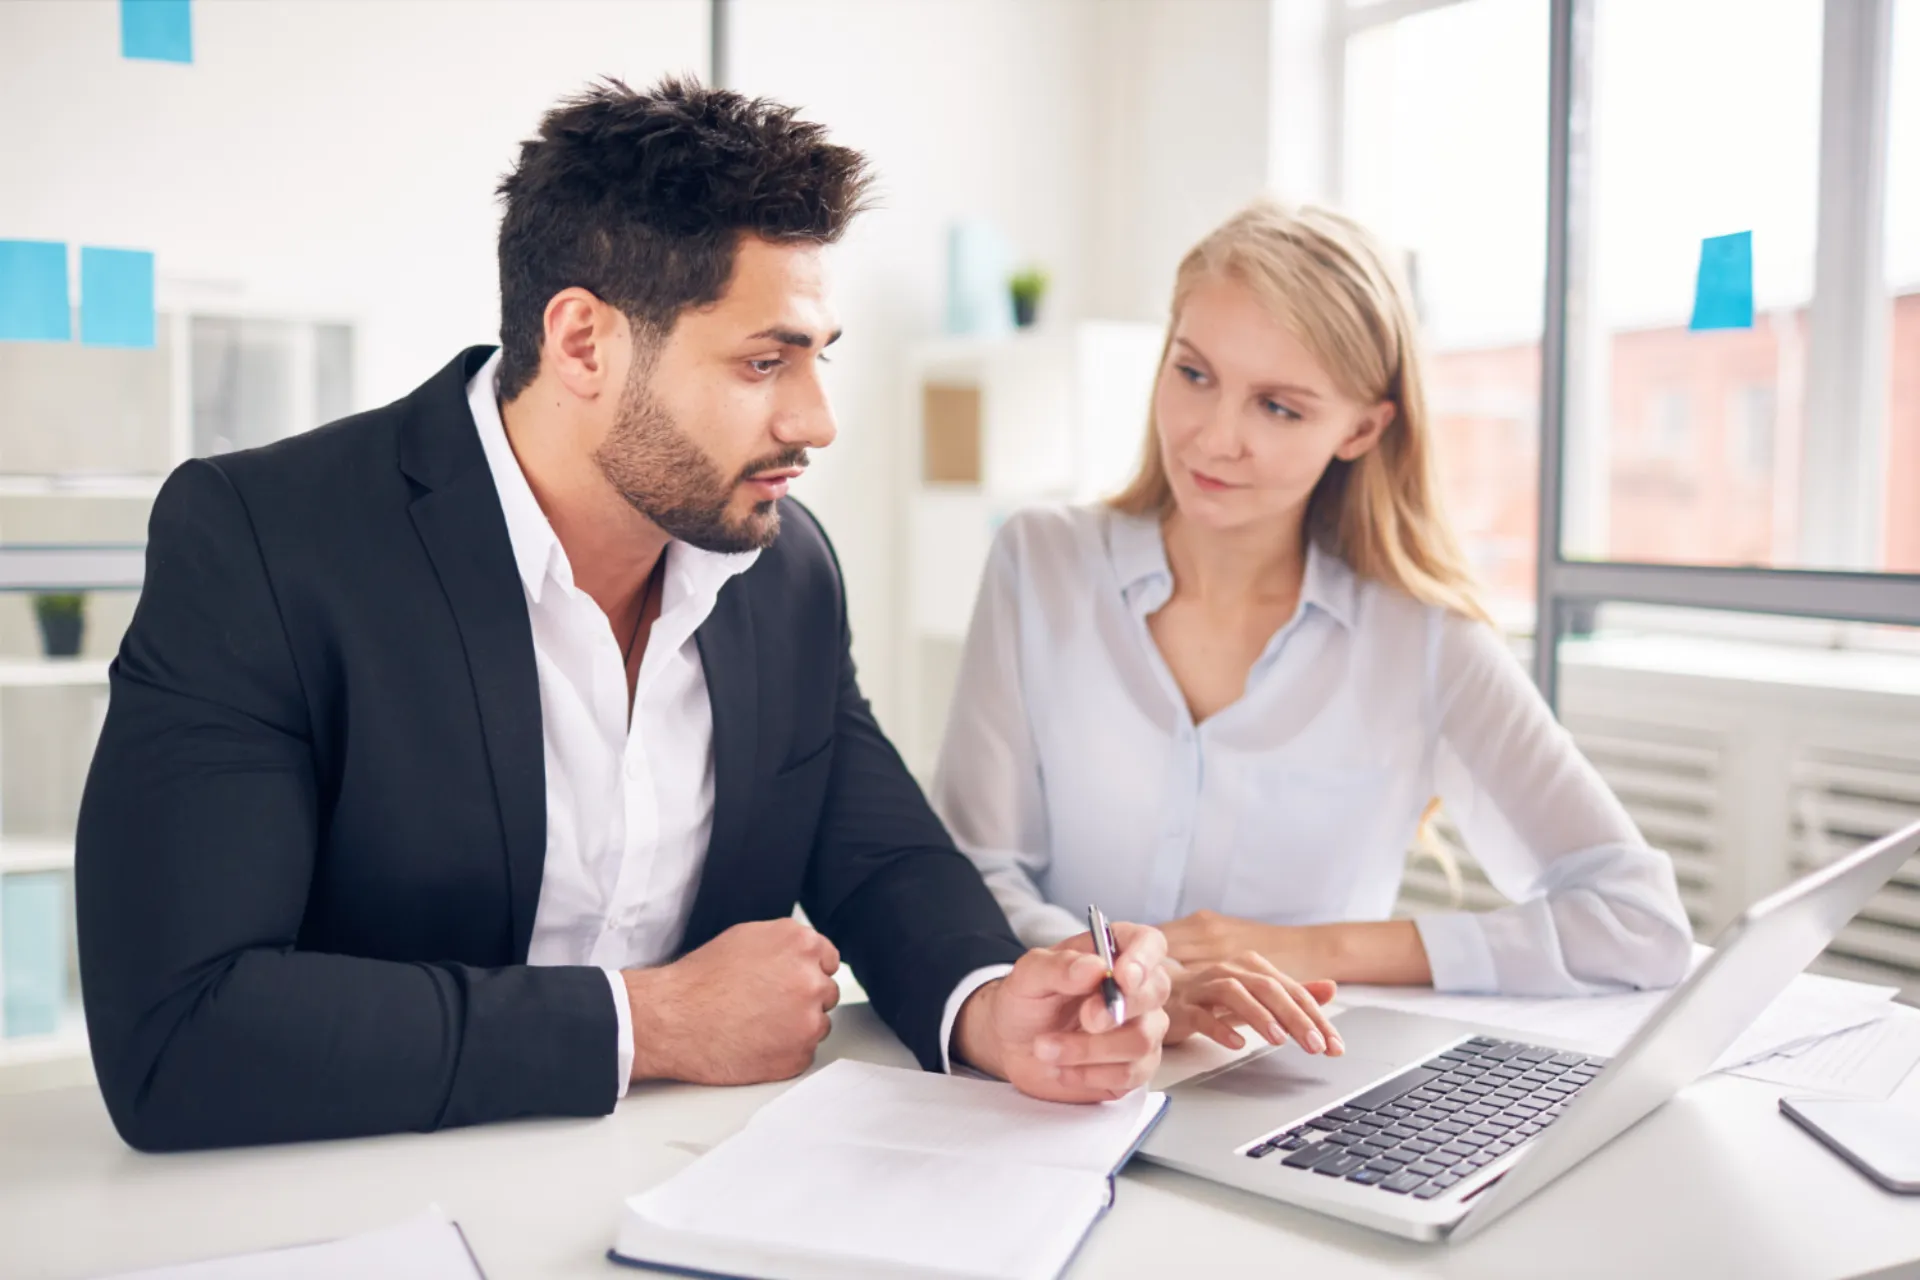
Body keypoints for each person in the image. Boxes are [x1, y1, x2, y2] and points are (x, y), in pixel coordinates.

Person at [75, 77, 1169, 1154]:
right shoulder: (265, 542)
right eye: (762, 360)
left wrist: (993, 1005)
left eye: (816, 355)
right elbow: (181, 1033)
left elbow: (877, 857)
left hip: (686, 1188)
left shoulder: (784, 570)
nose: (817, 418)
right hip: (363, 1204)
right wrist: (650, 1021)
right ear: (584, 343)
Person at [931, 200, 1691, 1058]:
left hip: (1289, 1092)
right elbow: (970, 868)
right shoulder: (1042, 564)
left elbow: (1638, 920)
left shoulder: (1425, 640)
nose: (1215, 437)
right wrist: (1136, 983)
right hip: (1053, 1068)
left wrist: (1311, 947)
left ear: (1363, 428)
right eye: (1193, 374)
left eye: (1279, 409)